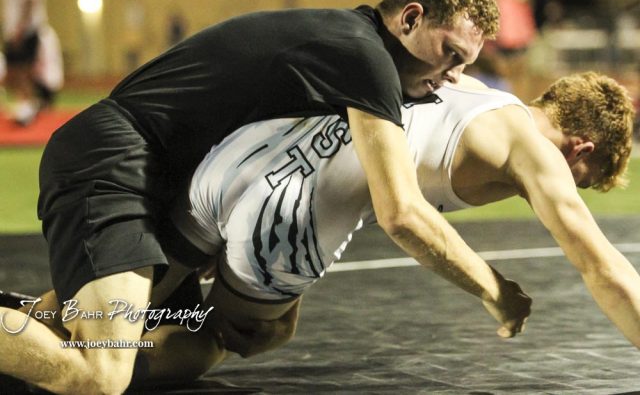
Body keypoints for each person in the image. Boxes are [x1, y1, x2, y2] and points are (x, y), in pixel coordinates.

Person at [0, 0, 516, 393]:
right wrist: (493, 288)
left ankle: (28, 337)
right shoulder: (367, 58)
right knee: (100, 373)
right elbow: (401, 212)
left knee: (200, 340)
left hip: (160, 180)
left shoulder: (352, 45)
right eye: (451, 54)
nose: (453, 76)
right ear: (410, 18)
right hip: (117, 160)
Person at [147, 71, 638, 380]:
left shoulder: (464, 84)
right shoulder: (539, 155)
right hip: (292, 217)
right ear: (582, 148)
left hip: (251, 157)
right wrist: (496, 290)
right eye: (582, 180)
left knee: (124, 309)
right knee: (226, 334)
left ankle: (100, 343)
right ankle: (106, 372)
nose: (570, 188)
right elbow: (603, 267)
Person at [1, 0, 63, 125]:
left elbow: (30, 1)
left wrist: (21, 28)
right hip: (13, 30)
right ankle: (25, 104)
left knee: (23, 69)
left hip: (25, 30)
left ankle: (28, 106)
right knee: (14, 70)